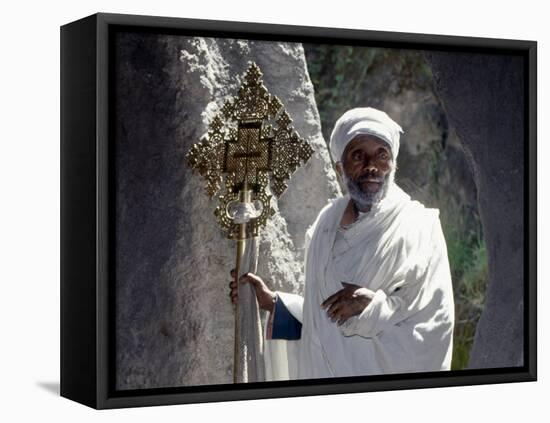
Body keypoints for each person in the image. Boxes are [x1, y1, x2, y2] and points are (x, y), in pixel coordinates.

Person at [229, 107, 455, 380]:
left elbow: (434, 324)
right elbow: (323, 322)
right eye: (358, 155)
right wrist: (276, 304)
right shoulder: (325, 225)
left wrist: (373, 307)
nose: (372, 165)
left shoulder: (419, 226)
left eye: (381, 154)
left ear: (393, 164)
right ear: (340, 167)